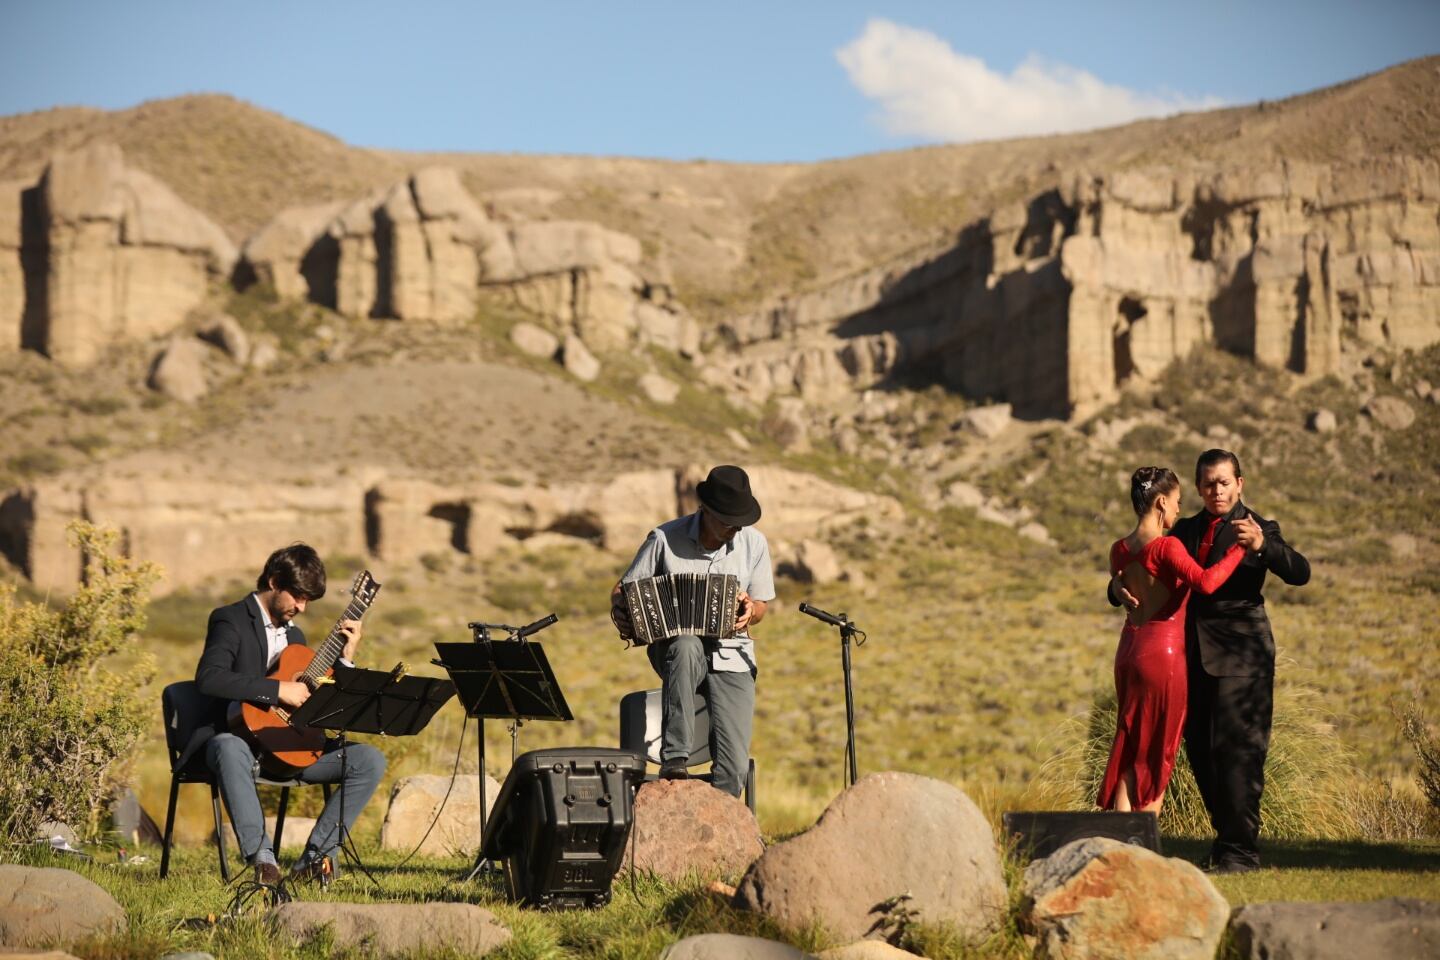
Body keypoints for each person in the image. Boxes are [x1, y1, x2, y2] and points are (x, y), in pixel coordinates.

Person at [1111, 450, 1310, 873]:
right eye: (1207, 484)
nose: (1215, 490)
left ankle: (1241, 852)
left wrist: (1264, 546)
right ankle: (1225, 843)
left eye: (1223, 482)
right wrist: (1115, 589)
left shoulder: (1259, 528)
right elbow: (1142, 562)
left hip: (1242, 657)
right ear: (1199, 487)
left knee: (1239, 753)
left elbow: (1299, 571)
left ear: (1240, 483)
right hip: (1186, 658)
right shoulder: (1182, 529)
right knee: (1200, 753)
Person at [194, 543, 386, 885]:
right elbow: (210, 678)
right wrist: (279, 690)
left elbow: (318, 698)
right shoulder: (230, 619)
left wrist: (345, 659)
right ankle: (264, 861)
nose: (301, 606)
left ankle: (314, 860)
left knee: (369, 760)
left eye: (307, 600)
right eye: (297, 596)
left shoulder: (296, 636)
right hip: (239, 744)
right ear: (273, 581)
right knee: (226, 746)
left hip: (289, 747)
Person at [609, 465, 775, 797]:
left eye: (740, 522)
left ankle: (721, 833)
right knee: (685, 644)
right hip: (675, 649)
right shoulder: (663, 539)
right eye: (728, 521)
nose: (734, 529)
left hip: (733, 654)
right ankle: (675, 759)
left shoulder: (754, 544)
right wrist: (621, 613)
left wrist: (748, 613)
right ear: (705, 510)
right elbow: (622, 591)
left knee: (734, 770)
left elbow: (761, 606)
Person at [1098, 466, 1245, 816]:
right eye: (1177, 502)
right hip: (1161, 657)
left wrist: (1117, 589)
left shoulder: (1119, 549)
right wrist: (1239, 551)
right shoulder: (1166, 547)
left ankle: (1120, 838)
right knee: (1157, 752)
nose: (1179, 510)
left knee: (1130, 745)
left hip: (1128, 652)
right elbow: (1206, 582)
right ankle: (1144, 842)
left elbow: (1120, 585)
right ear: (1161, 502)